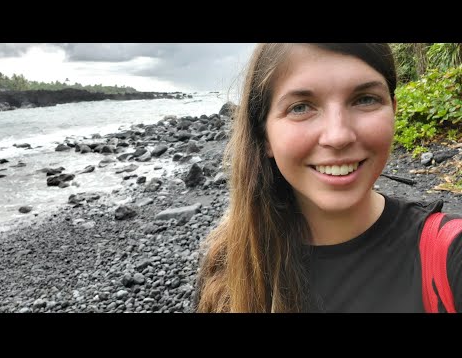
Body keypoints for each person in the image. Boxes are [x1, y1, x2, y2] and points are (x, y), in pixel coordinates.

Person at [193, 43, 462, 313]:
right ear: (264, 136)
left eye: (365, 99)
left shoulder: (449, 256)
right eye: (300, 107)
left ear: (393, 110)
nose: (338, 136)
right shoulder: (226, 266)